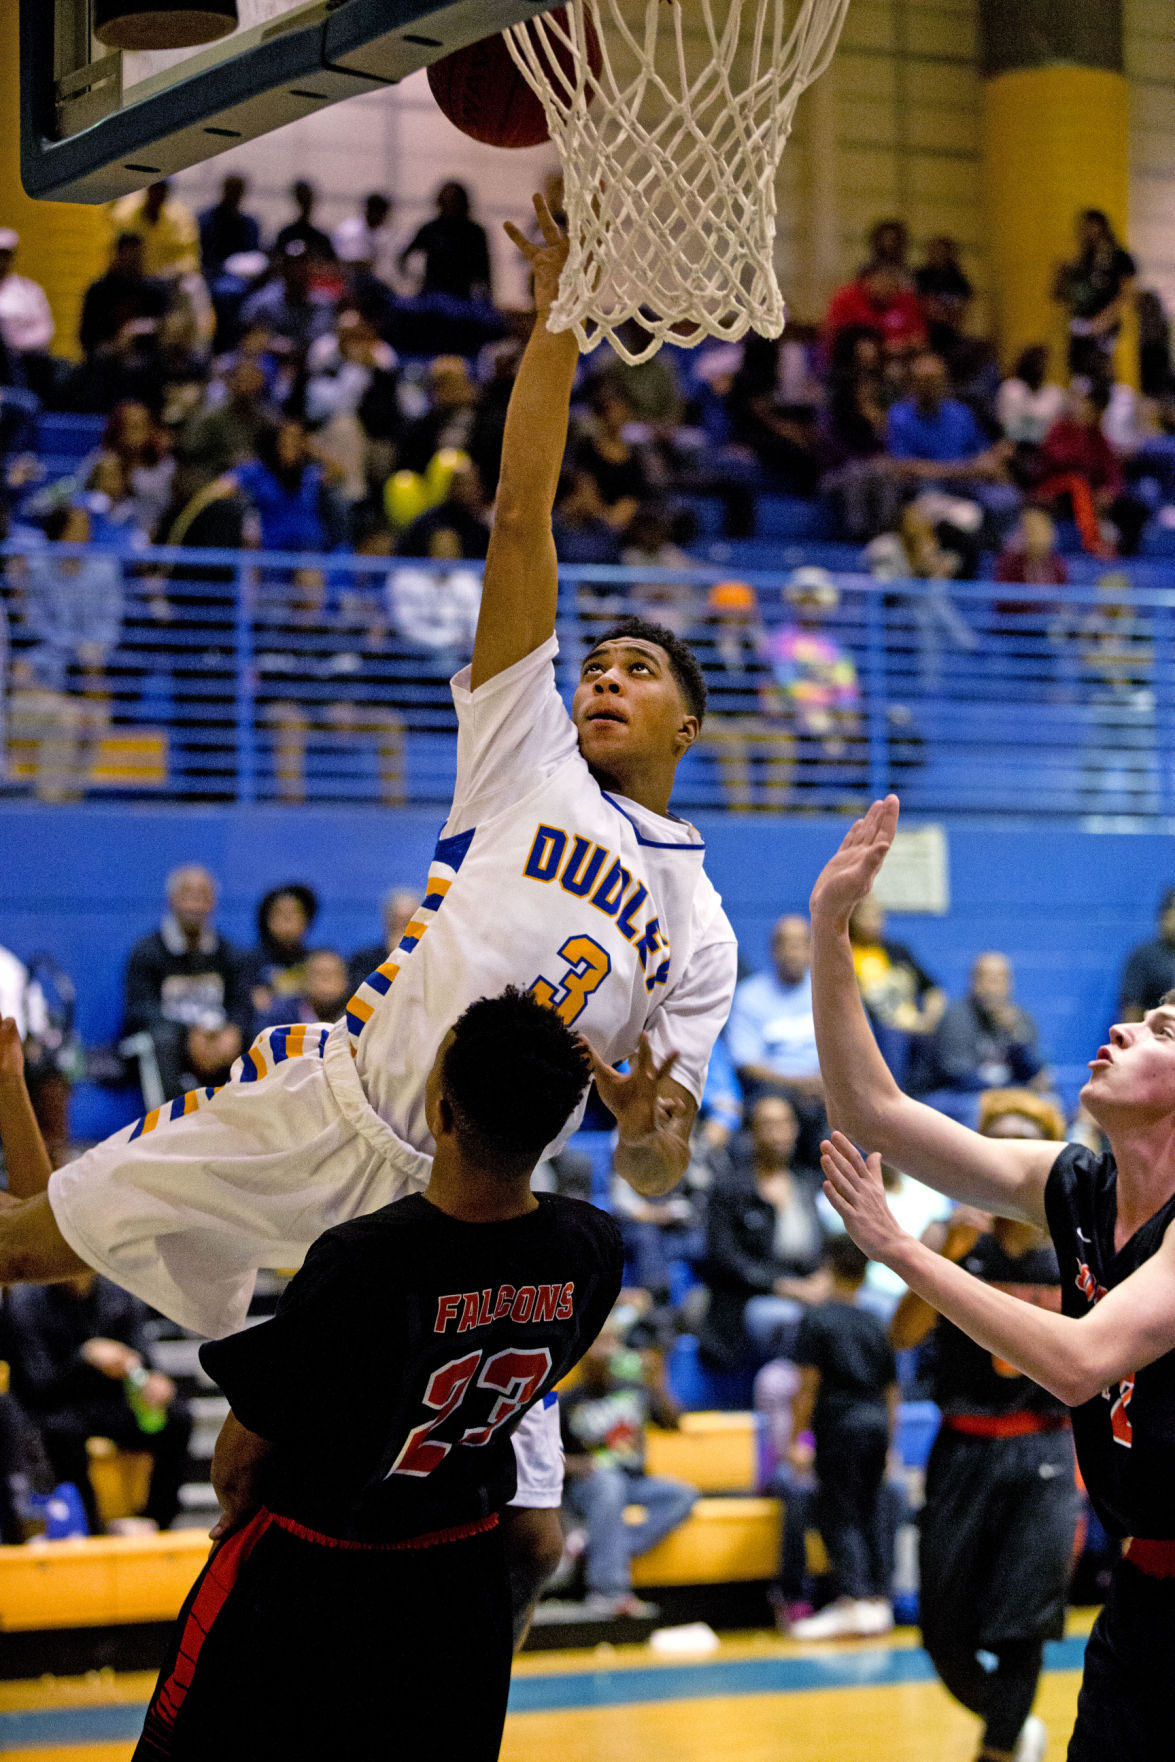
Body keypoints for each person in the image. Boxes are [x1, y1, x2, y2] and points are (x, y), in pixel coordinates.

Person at [0, 195, 737, 1606]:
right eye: (603, 657)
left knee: (521, 1536)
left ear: (687, 726)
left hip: (484, 1205)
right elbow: (518, 511)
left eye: (638, 669)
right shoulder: (525, 752)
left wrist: (651, 1123)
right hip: (332, 1106)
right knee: (31, 1251)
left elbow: (652, 1170)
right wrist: (559, 310)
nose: (605, 675)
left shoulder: (695, 933)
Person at [131, 989, 624, 1760]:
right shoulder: (590, 1246)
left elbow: (242, 1453)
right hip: (458, 1574)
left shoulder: (365, 1256)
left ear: (441, 1112)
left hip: (317, 1573)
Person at [810, 793, 1175, 1760]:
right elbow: (874, 1110)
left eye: (1165, 1033)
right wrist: (829, 931)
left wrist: (902, 1252)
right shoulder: (1071, 1182)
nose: (1131, 1029)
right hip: (1144, 1592)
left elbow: (1079, 1362)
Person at [891, 1087, 1076, 1762]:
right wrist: (940, 1260)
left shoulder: (1071, 1246)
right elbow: (902, 1336)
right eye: (997, 1141)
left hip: (1045, 1451)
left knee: (1022, 1627)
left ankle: (998, 1747)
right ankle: (1011, 1724)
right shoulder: (950, 1236)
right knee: (941, 1630)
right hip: (962, 1447)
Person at [2, 1272, 192, 1537]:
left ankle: (157, 1521)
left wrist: (155, 1382)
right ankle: (87, 1528)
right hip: (57, 1407)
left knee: (178, 1417)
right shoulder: (25, 1303)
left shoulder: (120, 1294)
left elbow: (143, 1359)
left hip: (114, 1404)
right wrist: (85, 1357)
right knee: (60, 1431)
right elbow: (37, 1387)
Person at [786, 1235, 899, 1640]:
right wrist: (892, 1441)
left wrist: (798, 1437)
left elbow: (808, 1386)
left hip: (838, 1425)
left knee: (839, 1510)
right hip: (875, 1426)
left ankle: (852, 1598)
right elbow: (892, 1390)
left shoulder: (816, 1320)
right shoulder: (875, 1322)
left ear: (829, 1267)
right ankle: (878, 1600)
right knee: (872, 1508)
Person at [561, 1313, 697, 1617]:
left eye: (612, 1342)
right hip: (589, 1487)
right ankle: (608, 1592)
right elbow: (549, 1459)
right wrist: (580, 1465)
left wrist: (659, 1385)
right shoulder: (569, 1401)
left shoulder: (634, 1390)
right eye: (599, 1343)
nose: (606, 1351)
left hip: (635, 1482)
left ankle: (595, 1546)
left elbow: (675, 1424)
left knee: (681, 1495)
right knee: (609, 1485)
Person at [699, 1093, 827, 1374]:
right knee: (787, 1321)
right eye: (769, 1124)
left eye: (785, 1123)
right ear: (753, 1133)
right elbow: (723, 1257)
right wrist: (781, 1286)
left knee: (873, 1309)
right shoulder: (729, 1189)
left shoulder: (808, 1185)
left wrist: (826, 1277)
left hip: (807, 1290)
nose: (779, 1133)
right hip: (748, 1297)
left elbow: (825, 1246)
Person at [122, 865, 254, 1102]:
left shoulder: (231, 953)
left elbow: (242, 1003)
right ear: (171, 901)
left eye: (202, 896)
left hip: (217, 1041)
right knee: (161, 1039)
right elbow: (139, 1010)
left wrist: (233, 1030)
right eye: (187, 896)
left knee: (257, 1034)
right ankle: (166, 1124)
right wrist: (188, 1034)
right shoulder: (146, 952)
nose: (195, 904)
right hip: (166, 1043)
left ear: (213, 903)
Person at [725, 913, 825, 1147]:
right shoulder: (749, 996)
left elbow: (855, 1052)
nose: (794, 952)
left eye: (802, 943)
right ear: (774, 949)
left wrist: (828, 1083)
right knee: (773, 1113)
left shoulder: (832, 991)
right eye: (787, 944)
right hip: (775, 1089)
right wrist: (801, 1083)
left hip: (827, 1088)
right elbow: (747, 1063)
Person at [918, 952, 1045, 1122]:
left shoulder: (1021, 1019)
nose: (994, 987)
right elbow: (957, 1074)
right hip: (953, 1096)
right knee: (979, 1109)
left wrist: (1016, 1036)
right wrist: (1008, 1092)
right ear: (973, 982)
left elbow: (1033, 1073)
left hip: (1003, 1095)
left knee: (1048, 1104)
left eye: (1001, 979)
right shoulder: (957, 1015)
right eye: (987, 978)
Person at [1054, 210, 1136, 379]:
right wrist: (1061, 273)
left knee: (1103, 374)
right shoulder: (1079, 260)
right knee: (1080, 377)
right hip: (1079, 327)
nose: (1087, 232)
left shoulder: (1118, 257)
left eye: (1092, 227)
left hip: (1106, 328)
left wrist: (1104, 321)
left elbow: (1127, 295)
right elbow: (1060, 295)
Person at [397, 181, 492, 303]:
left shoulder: (475, 233)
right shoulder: (430, 229)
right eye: (448, 203)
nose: (451, 207)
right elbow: (404, 256)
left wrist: (486, 299)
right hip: (432, 294)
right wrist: (412, 279)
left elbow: (485, 269)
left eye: (454, 203)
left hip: (461, 296)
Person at [245, 883, 319, 1015]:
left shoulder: (317, 962)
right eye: (279, 913)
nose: (287, 920)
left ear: (306, 920)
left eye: (294, 913)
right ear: (267, 920)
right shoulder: (249, 964)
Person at [107, 181, 200, 280]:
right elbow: (111, 252)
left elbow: (189, 258)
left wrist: (173, 272)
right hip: (133, 278)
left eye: (162, 189)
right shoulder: (125, 213)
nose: (157, 194)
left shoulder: (180, 217)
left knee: (192, 284)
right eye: (155, 188)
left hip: (169, 280)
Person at [347, 888, 421, 993]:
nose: (404, 929)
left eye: (410, 921)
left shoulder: (434, 959)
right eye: (397, 922)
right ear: (387, 922)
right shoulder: (364, 960)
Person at [197, 176, 261, 276]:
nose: (234, 195)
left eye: (237, 191)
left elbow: (253, 255)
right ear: (224, 190)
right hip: (210, 274)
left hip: (242, 276)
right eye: (231, 190)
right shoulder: (206, 220)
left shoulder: (249, 224)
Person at [273, 180, 335, 263]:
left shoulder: (321, 238)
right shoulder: (286, 235)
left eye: (307, 198)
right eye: (302, 198)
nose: (305, 203)